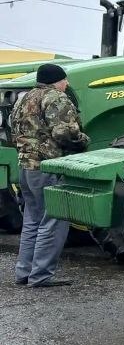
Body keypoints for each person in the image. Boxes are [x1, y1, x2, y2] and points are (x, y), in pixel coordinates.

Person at [11, 62, 88, 288]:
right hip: (48, 166)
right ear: (58, 80)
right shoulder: (55, 97)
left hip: (25, 166)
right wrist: (84, 141)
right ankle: (41, 275)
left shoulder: (23, 98)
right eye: (65, 81)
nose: (67, 85)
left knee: (32, 220)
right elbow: (65, 133)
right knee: (54, 218)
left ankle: (24, 272)